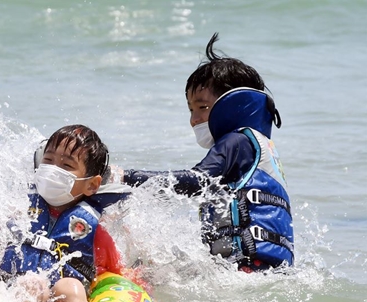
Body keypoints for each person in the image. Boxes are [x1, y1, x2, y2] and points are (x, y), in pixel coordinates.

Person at [121, 33, 294, 272]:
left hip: (245, 270)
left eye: (202, 107)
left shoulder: (236, 141)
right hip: (265, 270)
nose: (193, 120)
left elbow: (198, 181)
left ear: (234, 104)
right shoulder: (261, 147)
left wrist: (124, 178)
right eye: (190, 110)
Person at [0, 124, 130, 302]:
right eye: (48, 160)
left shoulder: (94, 227)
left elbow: (114, 274)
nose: (52, 169)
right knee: (30, 284)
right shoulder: (18, 210)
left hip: (66, 290)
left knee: (69, 286)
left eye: (67, 165)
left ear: (92, 185)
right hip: (23, 286)